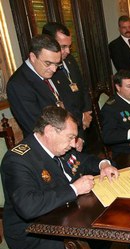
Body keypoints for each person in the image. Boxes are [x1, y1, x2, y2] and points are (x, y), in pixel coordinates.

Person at [1, 106, 119, 249]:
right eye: (70, 137)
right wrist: (75, 188)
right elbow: (27, 206)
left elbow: (84, 160)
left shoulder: (59, 148)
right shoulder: (18, 160)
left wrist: (103, 164)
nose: (73, 144)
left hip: (63, 216)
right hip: (31, 233)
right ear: (49, 131)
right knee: (87, 248)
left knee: (104, 235)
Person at [42, 22, 92, 152]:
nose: (68, 51)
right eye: (63, 47)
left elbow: (82, 86)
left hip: (83, 128)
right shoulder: (47, 70)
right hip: (65, 133)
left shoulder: (70, 60)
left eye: (69, 46)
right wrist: (80, 121)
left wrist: (87, 111)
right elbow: (63, 104)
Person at [6, 34, 63, 138]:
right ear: (33, 57)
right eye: (48, 63)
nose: (54, 69)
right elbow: (36, 127)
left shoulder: (49, 71)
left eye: (57, 64)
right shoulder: (18, 85)